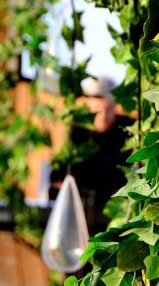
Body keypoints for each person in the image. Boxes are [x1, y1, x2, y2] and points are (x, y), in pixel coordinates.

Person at [50, 76, 134, 233]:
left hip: (116, 213)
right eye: (97, 111)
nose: (103, 117)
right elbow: (60, 172)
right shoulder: (77, 130)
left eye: (108, 110)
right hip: (81, 214)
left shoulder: (128, 129)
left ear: (115, 106)